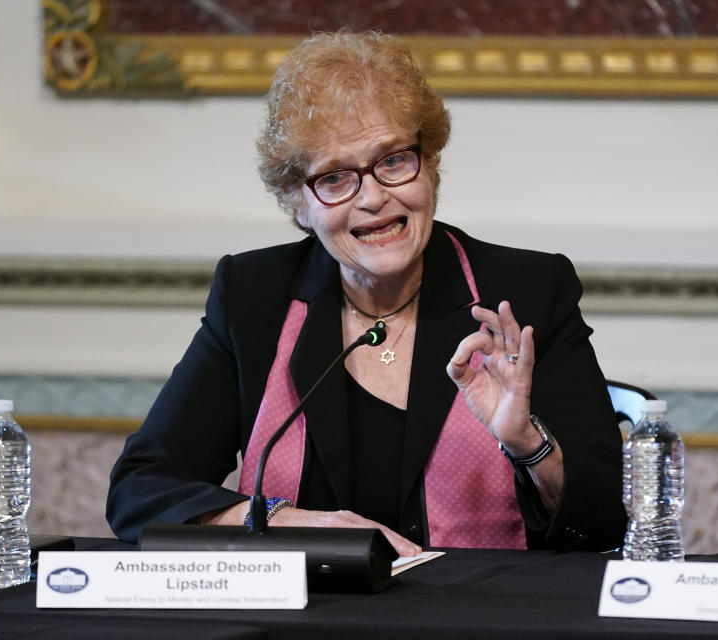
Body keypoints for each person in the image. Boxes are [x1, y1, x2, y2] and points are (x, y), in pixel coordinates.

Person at [107, 30, 626, 556]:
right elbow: (141, 490)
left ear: (431, 165)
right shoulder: (254, 298)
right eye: (334, 178)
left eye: (394, 160)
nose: (374, 197)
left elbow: (606, 519)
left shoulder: (526, 292)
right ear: (297, 204)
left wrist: (528, 446)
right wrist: (281, 522)